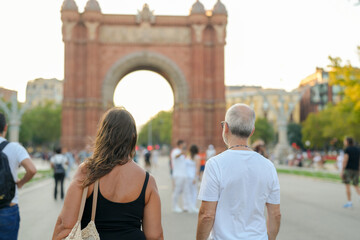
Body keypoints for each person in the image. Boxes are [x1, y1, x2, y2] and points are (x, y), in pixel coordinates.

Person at [52, 107, 163, 240]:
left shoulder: (87, 172)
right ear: (133, 136)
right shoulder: (147, 180)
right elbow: (155, 236)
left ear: (102, 134)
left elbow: (65, 225)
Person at [196, 103, 281, 240]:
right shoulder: (268, 166)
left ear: (226, 128)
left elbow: (207, 215)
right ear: (251, 131)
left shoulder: (215, 164)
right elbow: (275, 214)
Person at [0, 113, 37, 239]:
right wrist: (21, 183)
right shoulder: (14, 148)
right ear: (5, 127)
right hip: (7, 207)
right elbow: (32, 170)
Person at [341, 137, 360, 208]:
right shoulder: (358, 149)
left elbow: (345, 160)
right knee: (356, 185)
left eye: (345, 141)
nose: (344, 142)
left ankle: (349, 202)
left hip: (348, 169)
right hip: (356, 169)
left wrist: (342, 170)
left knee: (347, 185)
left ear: (347, 142)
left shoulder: (347, 149)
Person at [170, 140, 187, 213]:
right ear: (180, 144)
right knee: (176, 190)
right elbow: (175, 157)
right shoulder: (175, 151)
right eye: (183, 144)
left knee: (183, 191)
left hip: (183, 174)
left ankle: (184, 206)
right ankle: (174, 206)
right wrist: (181, 153)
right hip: (177, 175)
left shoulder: (181, 152)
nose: (184, 145)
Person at [184, 144, 201, 213]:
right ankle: (192, 206)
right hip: (192, 176)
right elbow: (197, 168)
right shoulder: (197, 157)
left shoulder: (188, 157)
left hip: (187, 176)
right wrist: (196, 177)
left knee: (188, 192)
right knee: (194, 192)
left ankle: (188, 206)